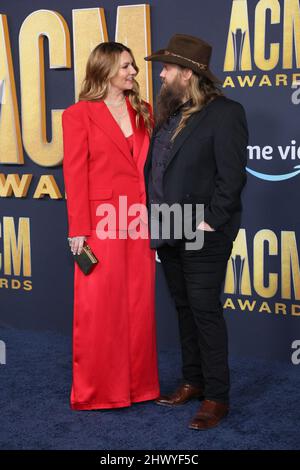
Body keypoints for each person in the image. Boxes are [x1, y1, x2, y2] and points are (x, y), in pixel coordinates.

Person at [144, 34, 248, 429]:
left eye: (167, 68)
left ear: (187, 74)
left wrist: (211, 221)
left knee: (204, 312)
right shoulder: (169, 115)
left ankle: (218, 397)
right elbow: (157, 173)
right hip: (167, 228)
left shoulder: (226, 113)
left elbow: (231, 176)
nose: (162, 74)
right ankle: (193, 381)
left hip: (203, 231)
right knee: (184, 309)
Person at [62, 42, 160, 410]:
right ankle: (99, 391)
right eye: (126, 67)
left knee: (138, 304)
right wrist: (77, 232)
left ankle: (139, 387)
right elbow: (74, 175)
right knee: (99, 309)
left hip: (137, 223)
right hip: (100, 226)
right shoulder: (78, 115)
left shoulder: (143, 111)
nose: (133, 72)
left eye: (133, 66)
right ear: (104, 71)